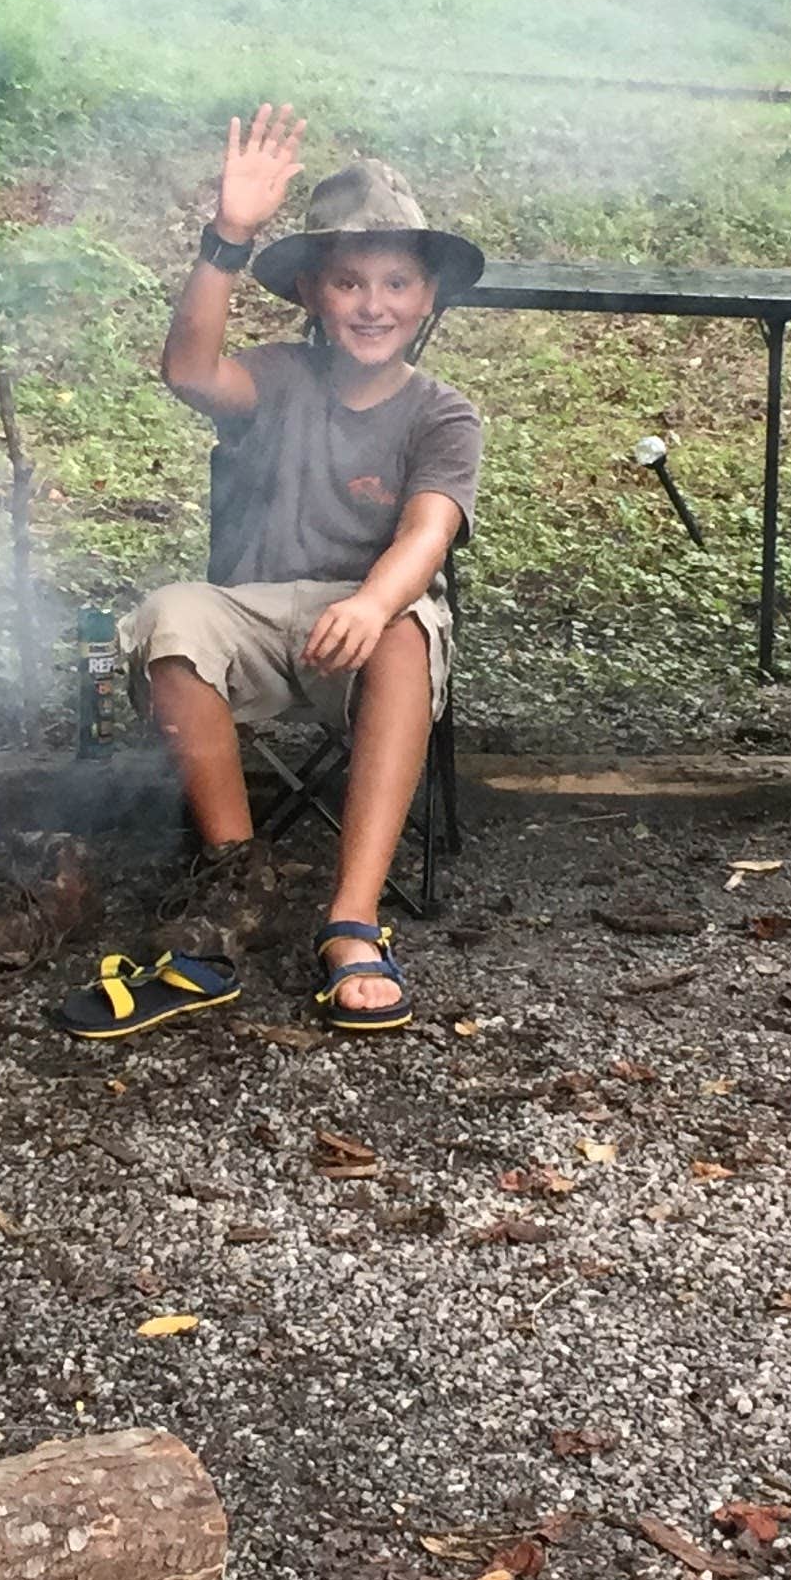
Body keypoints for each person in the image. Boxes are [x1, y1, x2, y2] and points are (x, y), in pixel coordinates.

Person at [50, 107, 485, 1039]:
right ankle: (229, 894)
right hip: (254, 615)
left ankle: (352, 923)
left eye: (397, 281)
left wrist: (372, 600)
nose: (374, 303)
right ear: (314, 296)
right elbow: (187, 370)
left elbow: (428, 532)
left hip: (366, 628)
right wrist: (230, 236)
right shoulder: (281, 375)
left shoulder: (443, 414)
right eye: (349, 281)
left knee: (408, 628)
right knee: (171, 613)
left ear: (427, 298)